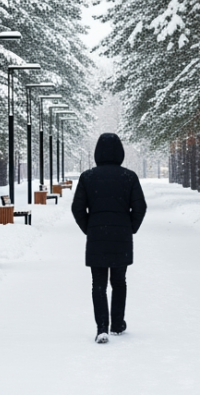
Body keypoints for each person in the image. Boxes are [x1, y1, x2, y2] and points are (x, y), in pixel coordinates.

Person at [71, 132, 147, 344]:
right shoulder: (129, 177)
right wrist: (130, 227)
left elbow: (77, 207)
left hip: (97, 236)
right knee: (119, 282)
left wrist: (90, 228)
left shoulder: (87, 177)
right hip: (121, 237)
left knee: (98, 283)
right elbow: (140, 207)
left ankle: (102, 327)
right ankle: (117, 323)